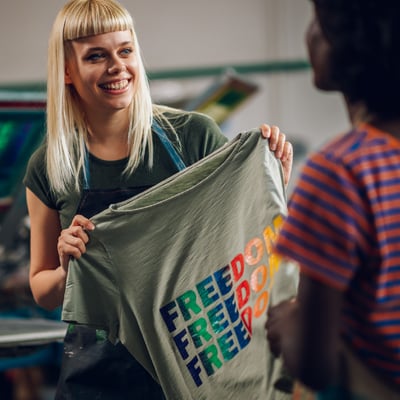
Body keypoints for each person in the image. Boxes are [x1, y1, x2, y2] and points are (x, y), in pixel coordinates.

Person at [23, 0, 293, 398]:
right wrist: (69, 271)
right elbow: (41, 287)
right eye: (96, 55)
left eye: (125, 50)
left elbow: (238, 236)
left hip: (194, 352)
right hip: (97, 372)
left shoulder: (192, 137)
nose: (117, 66)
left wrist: (269, 180)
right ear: (67, 69)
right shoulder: (51, 164)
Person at [265, 0, 400, 399]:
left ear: (348, 45)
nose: (309, 35)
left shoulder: (341, 172)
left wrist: (287, 323)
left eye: (317, 24)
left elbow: (314, 364)